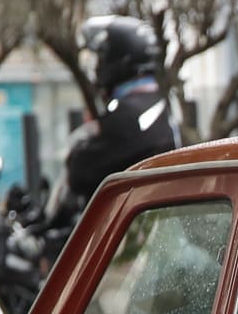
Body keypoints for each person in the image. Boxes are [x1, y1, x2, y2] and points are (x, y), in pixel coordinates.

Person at [57, 15, 181, 223]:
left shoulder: (129, 115)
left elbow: (79, 171)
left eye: (102, 58)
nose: (97, 67)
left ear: (119, 60)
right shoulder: (154, 103)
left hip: (141, 235)